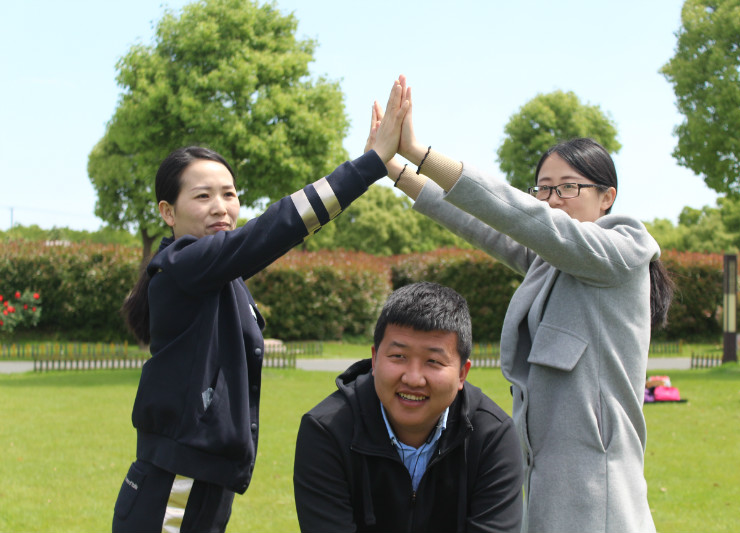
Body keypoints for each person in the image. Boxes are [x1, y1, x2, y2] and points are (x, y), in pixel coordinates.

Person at [368, 76, 673, 533]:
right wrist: (394, 170)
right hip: (545, 480)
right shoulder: (553, 264)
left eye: (568, 188)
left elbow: (522, 217)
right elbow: (486, 225)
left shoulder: (623, 248)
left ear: (607, 197)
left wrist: (420, 152)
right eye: (544, 189)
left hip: (599, 494)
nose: (551, 200)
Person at [111, 79, 409, 533]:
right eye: (202, 195)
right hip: (176, 484)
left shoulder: (218, 275)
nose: (221, 208)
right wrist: (367, 167)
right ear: (167, 213)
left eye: (229, 194)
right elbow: (276, 227)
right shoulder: (181, 263)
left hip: (206, 480)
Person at [293, 281, 524, 533]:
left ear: (461, 374)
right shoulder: (326, 430)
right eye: (398, 356)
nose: (413, 379)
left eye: (433, 361)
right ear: (374, 358)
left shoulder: (492, 437)